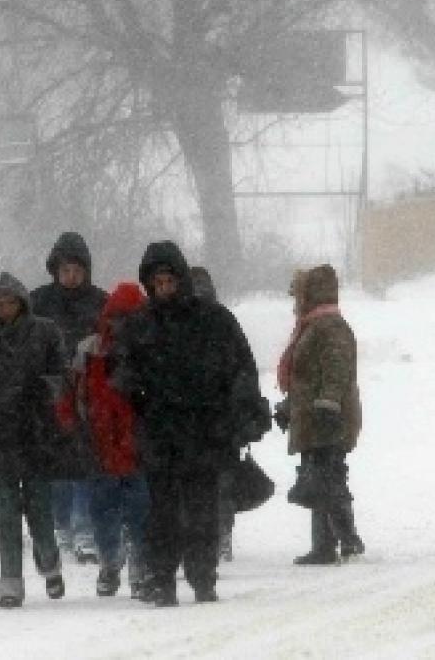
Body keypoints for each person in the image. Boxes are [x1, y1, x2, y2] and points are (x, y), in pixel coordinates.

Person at [113, 241, 264, 606]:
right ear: (149, 284)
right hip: (160, 431)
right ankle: (163, 579)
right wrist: (138, 394)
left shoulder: (214, 320)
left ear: (181, 279)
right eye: (157, 282)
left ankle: (202, 577)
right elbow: (122, 373)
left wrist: (242, 413)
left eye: (169, 280)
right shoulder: (140, 326)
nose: (164, 288)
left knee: (202, 510)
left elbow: (241, 369)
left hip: (205, 430)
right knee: (162, 512)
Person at [0, 272, 71, 608]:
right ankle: (10, 582)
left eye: (11, 302)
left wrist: (41, 388)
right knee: (5, 513)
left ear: (22, 303)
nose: (5, 309)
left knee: (40, 509)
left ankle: (50, 563)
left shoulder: (45, 331)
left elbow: (62, 375)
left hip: (36, 429)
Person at [57, 282, 150, 599]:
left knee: (139, 512)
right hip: (99, 443)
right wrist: (69, 423)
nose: (120, 325)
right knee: (102, 512)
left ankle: (138, 563)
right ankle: (111, 560)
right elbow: (70, 392)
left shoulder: (150, 348)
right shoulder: (89, 349)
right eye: (116, 317)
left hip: (136, 444)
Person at [274, 264, 364, 565]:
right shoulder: (315, 326)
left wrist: (328, 404)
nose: (295, 303)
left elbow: (335, 371)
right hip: (315, 415)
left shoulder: (328, 326)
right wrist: (290, 408)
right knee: (318, 478)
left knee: (329, 477)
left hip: (328, 416)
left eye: (298, 296)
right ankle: (324, 545)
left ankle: (348, 539)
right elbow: (306, 378)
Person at [29, 232, 107, 563]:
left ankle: (84, 527)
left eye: (76, 270)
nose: (71, 277)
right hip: (50, 393)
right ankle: (60, 523)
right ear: (54, 271)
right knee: (56, 465)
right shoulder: (38, 301)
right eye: (65, 270)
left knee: (87, 461)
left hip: (91, 394)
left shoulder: (100, 301)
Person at [188, 265, 271, 562]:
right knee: (220, 483)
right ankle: (220, 536)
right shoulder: (224, 321)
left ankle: (206, 538)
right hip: (223, 418)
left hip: (198, 418)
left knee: (199, 484)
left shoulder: (180, 321)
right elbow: (245, 370)